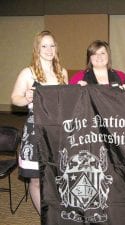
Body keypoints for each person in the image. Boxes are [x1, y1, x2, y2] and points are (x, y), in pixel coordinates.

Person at [11, 30, 68, 215]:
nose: (49, 49)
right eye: (44, 45)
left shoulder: (62, 73)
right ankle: (45, 216)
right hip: (35, 130)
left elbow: (67, 102)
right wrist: (26, 97)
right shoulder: (28, 73)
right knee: (35, 179)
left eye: (52, 45)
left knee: (56, 177)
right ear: (37, 48)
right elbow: (15, 99)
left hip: (57, 131)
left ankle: (57, 212)